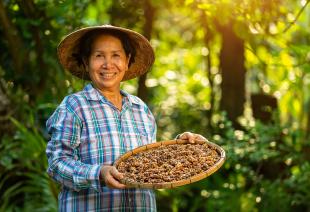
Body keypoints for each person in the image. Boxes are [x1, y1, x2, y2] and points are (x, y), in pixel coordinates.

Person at [46, 25, 207, 212]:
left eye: (116, 55)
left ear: (127, 60)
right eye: (99, 56)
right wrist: (99, 173)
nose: (108, 64)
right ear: (86, 61)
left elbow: (151, 162)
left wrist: (183, 148)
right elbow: (57, 164)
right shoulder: (74, 107)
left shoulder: (140, 109)